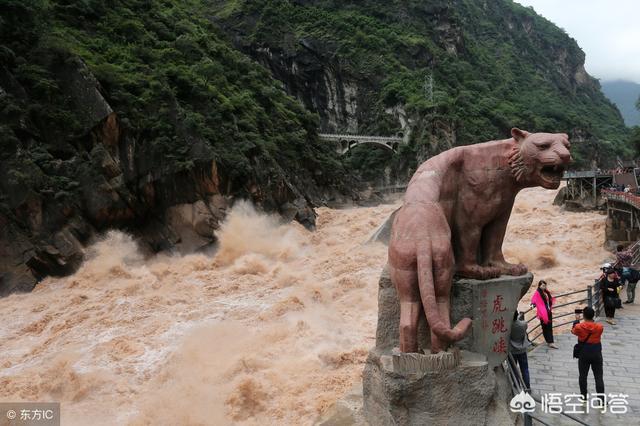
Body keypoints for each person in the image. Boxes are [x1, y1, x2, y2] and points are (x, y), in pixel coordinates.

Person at [571, 307, 604, 403]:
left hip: (583, 354)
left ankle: (584, 396)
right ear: (593, 315)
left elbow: (573, 331)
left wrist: (577, 320)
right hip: (596, 353)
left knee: (583, 376)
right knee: (598, 377)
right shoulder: (599, 327)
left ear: (583, 316)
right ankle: (601, 400)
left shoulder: (579, 327)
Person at [531, 280, 558, 348]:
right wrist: (532, 305)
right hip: (542, 313)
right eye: (543, 285)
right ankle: (549, 342)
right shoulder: (537, 293)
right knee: (545, 327)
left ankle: (550, 341)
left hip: (548, 312)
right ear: (539, 286)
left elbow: (549, 299)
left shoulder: (546, 292)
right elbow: (533, 300)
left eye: (545, 285)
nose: (544, 287)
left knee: (549, 327)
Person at [509, 310, 532, 389]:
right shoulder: (524, 324)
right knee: (525, 369)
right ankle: (527, 386)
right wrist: (520, 317)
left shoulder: (508, 326)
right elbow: (520, 323)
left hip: (512, 351)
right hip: (522, 350)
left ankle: (516, 385)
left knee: (514, 369)